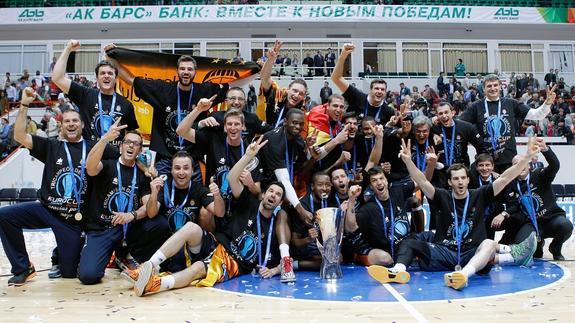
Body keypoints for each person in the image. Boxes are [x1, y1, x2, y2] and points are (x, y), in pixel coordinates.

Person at [368, 137, 540, 290]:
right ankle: (397, 271)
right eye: (456, 179)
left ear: (468, 180)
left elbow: (504, 178)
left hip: (470, 254)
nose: (460, 182)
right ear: (450, 182)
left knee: (488, 244)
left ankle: (463, 275)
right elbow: (421, 180)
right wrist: (408, 161)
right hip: (444, 251)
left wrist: (526, 158)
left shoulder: (479, 194)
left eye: (463, 178)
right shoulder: (441, 195)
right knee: (410, 242)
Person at [129, 137, 286, 296]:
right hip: (216, 243)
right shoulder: (250, 202)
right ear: (263, 194)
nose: (273, 195)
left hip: (232, 262)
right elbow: (232, 178)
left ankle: (156, 284)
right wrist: (248, 156)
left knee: (197, 268)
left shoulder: (278, 228)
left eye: (278, 195)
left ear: (280, 202)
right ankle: (148, 267)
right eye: (271, 191)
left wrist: (274, 270)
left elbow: (289, 260)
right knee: (191, 227)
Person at [0, 88, 88, 286]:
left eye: (75, 121)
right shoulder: (51, 146)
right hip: (46, 209)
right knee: (5, 216)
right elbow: (21, 136)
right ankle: (23, 268)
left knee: (69, 274)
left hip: (73, 219)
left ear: (82, 125)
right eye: (67, 121)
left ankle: (61, 255)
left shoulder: (93, 148)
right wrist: (24, 105)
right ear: (62, 125)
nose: (71, 124)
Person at [106, 44, 228, 175]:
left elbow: (230, 86)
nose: (186, 72)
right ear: (177, 71)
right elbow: (131, 80)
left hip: (193, 158)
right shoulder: (162, 90)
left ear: (195, 72)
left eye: (189, 69)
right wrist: (109, 57)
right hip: (166, 158)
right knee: (159, 192)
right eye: (182, 69)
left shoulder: (204, 90)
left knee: (197, 194)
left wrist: (253, 71)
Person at [80, 121, 153, 285]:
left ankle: (126, 256)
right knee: (88, 276)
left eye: (136, 144)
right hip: (103, 229)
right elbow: (90, 167)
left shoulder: (142, 175)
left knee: (158, 224)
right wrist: (104, 139)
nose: (131, 146)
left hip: (128, 230)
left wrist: (132, 215)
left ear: (140, 150)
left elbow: (148, 207)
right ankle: (102, 254)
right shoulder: (108, 165)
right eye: (128, 142)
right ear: (121, 146)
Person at [459, 75, 555, 173]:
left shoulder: (511, 103)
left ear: (500, 86)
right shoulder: (476, 107)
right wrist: (475, 138)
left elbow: (536, 115)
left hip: (510, 160)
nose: (493, 88)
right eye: (489, 86)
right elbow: (460, 126)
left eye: (495, 85)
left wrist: (547, 104)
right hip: (486, 164)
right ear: (483, 89)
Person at [52, 40, 139, 148]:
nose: (106, 76)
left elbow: (131, 134)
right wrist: (68, 49)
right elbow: (57, 78)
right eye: (102, 73)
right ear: (97, 78)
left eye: (110, 73)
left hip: (115, 159)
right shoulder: (85, 95)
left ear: (116, 78)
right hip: (90, 157)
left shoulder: (126, 104)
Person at [506, 140, 573, 261]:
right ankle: (538, 245)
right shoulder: (511, 185)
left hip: (551, 219)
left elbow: (554, 166)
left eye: (522, 163)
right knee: (521, 242)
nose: (519, 166)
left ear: (528, 164)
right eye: (515, 165)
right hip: (530, 223)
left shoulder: (539, 175)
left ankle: (555, 248)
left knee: (565, 226)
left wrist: (546, 150)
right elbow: (514, 207)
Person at [332, 43, 395, 124]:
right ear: (370, 90)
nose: (379, 91)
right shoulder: (358, 96)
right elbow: (336, 78)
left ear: (385, 93)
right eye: (376, 88)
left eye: (382, 89)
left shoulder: (388, 111)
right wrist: (343, 54)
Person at [260, 41, 308, 128]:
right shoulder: (277, 96)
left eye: (301, 93)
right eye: (295, 90)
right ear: (288, 89)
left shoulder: (302, 113)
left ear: (304, 97)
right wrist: (271, 59)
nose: (297, 95)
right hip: (267, 137)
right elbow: (264, 78)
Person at [199, 87, 271, 143]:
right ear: (226, 101)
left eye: (240, 99)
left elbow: (271, 131)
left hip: (244, 157)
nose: (236, 102)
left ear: (245, 102)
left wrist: (256, 141)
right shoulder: (215, 116)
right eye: (233, 98)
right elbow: (198, 134)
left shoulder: (252, 118)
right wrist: (201, 124)